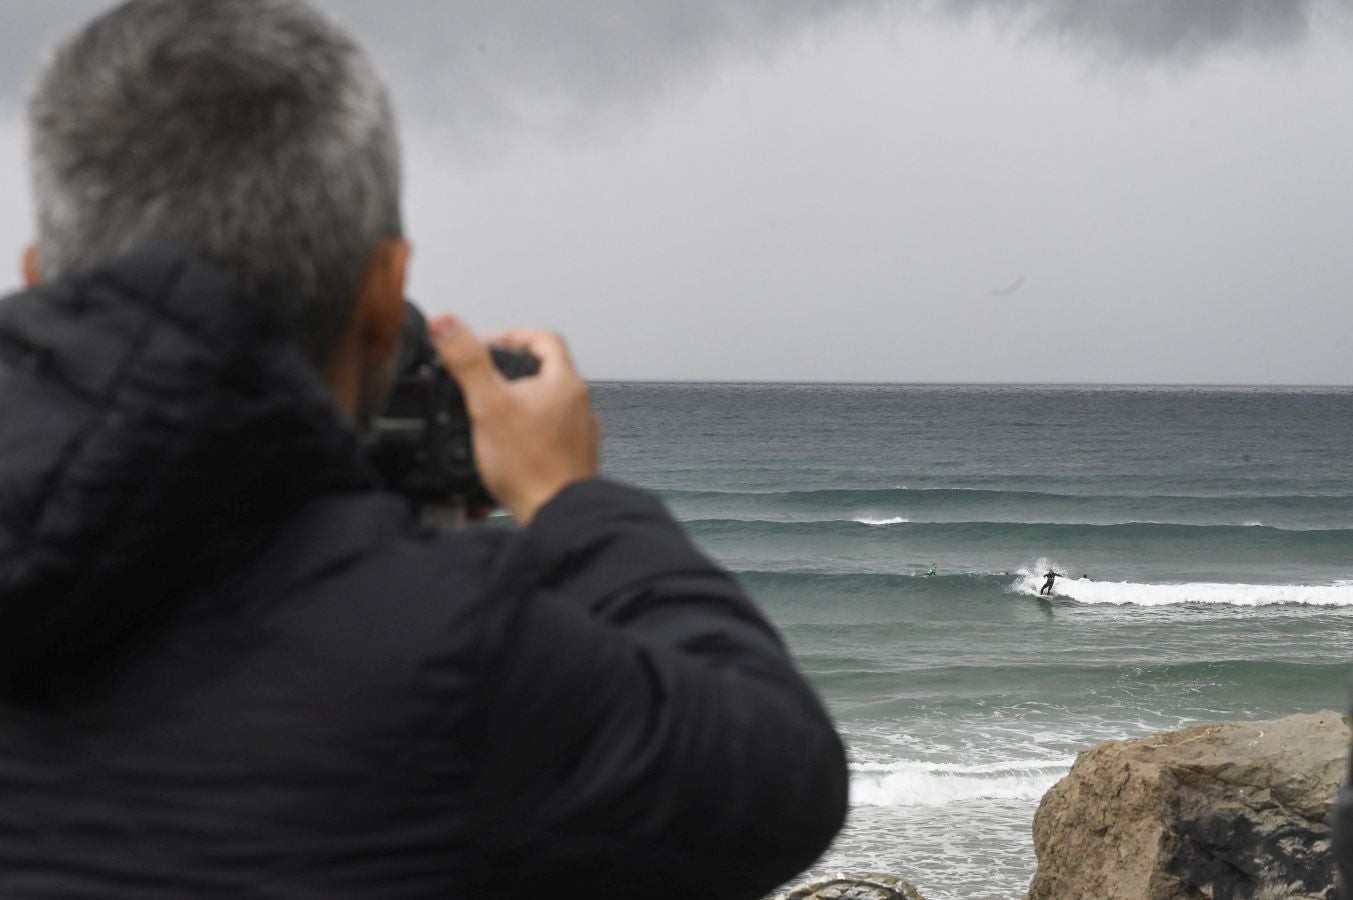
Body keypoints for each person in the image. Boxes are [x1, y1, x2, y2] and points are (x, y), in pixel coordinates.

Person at [0, 2, 847, 897]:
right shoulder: (454, 652)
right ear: (383, 293)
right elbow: (776, 775)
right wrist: (566, 498)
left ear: (39, 275)